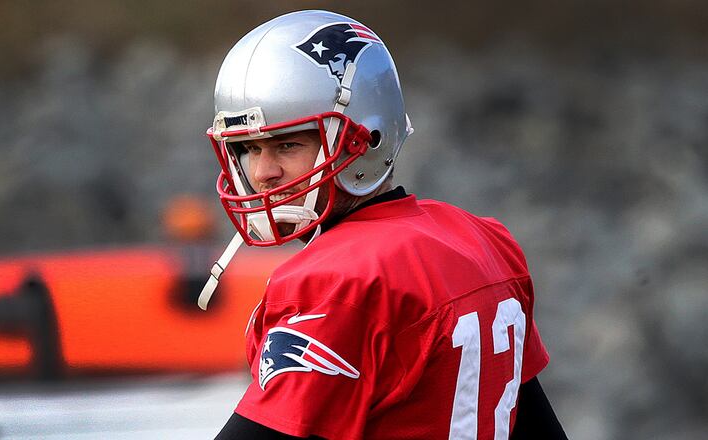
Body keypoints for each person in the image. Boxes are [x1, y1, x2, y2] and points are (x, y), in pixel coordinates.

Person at [200, 10, 567, 440]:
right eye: (247, 148)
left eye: (287, 144)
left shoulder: (338, 281)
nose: (262, 172)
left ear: (368, 139)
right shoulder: (484, 240)